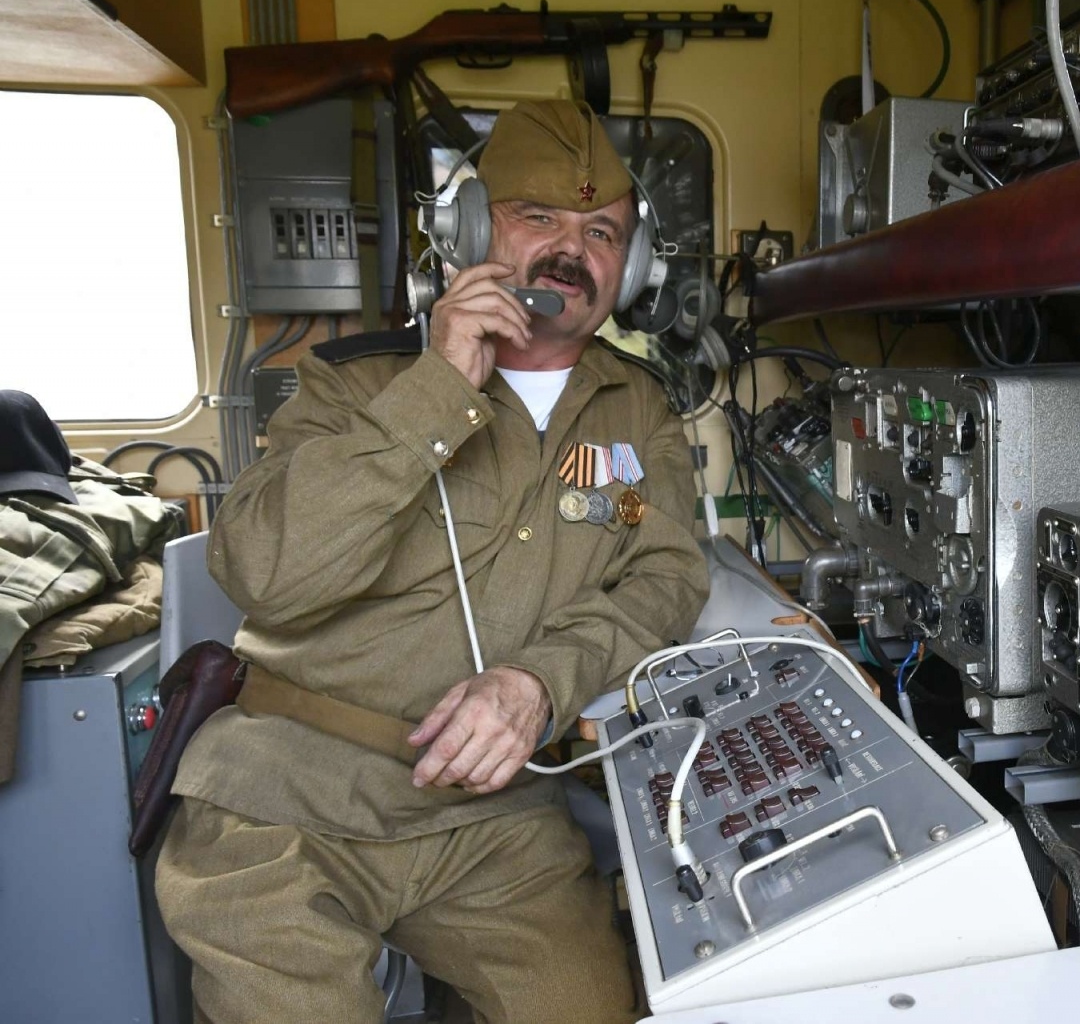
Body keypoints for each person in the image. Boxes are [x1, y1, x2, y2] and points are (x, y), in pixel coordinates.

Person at [157, 100, 710, 1024]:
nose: (572, 250)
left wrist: (538, 683)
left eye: (602, 231)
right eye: (538, 219)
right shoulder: (354, 382)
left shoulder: (639, 408)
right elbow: (263, 571)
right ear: (466, 230)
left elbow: (667, 579)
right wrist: (439, 387)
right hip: (284, 792)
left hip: (491, 819)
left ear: (634, 266)